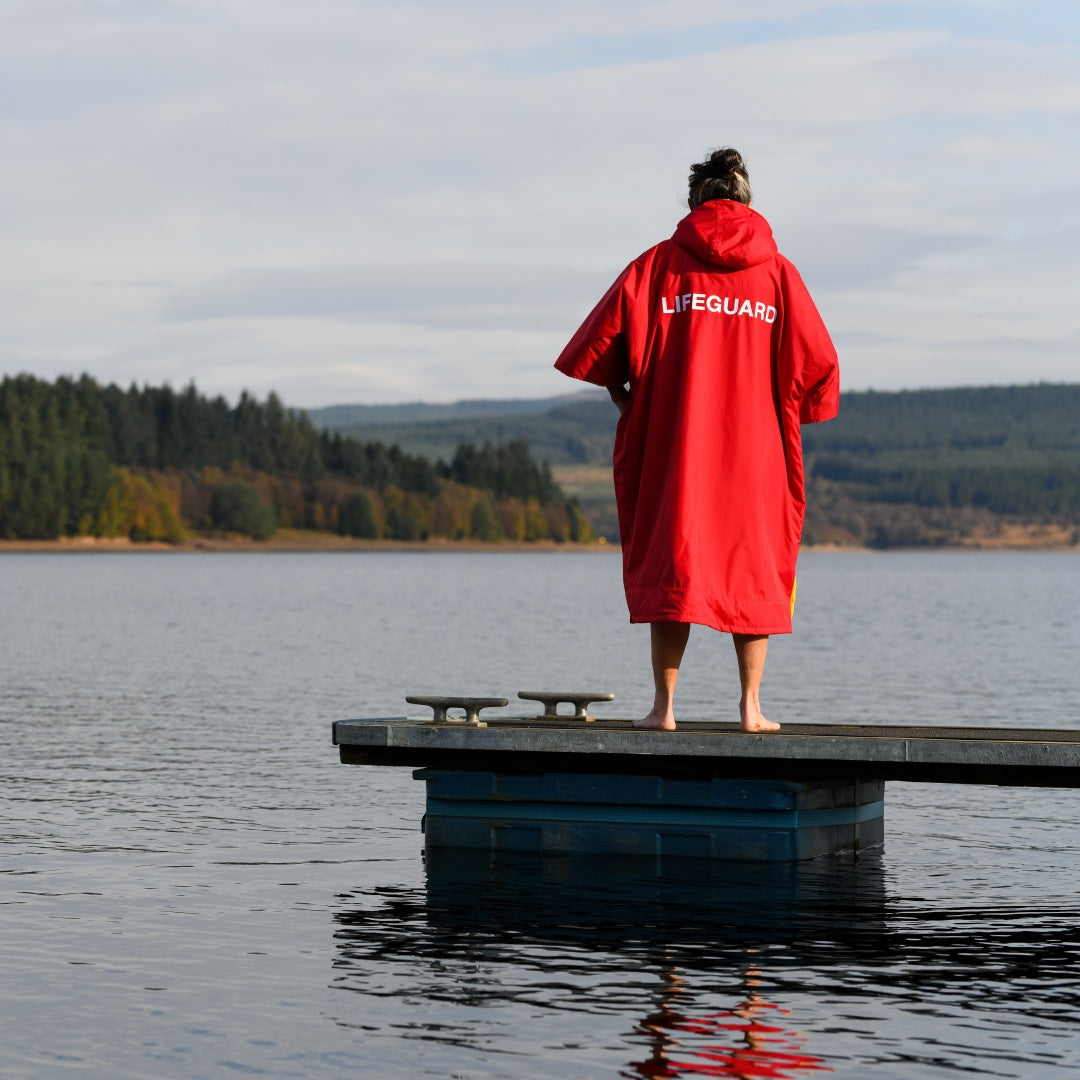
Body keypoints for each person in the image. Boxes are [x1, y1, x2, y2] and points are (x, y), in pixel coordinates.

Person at [554, 147, 839, 732]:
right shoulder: (778, 273)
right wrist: (781, 409)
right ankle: (751, 709)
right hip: (756, 453)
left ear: (694, 202)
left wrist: (633, 405)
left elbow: (598, 351)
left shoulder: (658, 266)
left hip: (674, 451)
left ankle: (664, 709)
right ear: (746, 200)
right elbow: (819, 366)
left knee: (672, 566)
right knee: (754, 570)